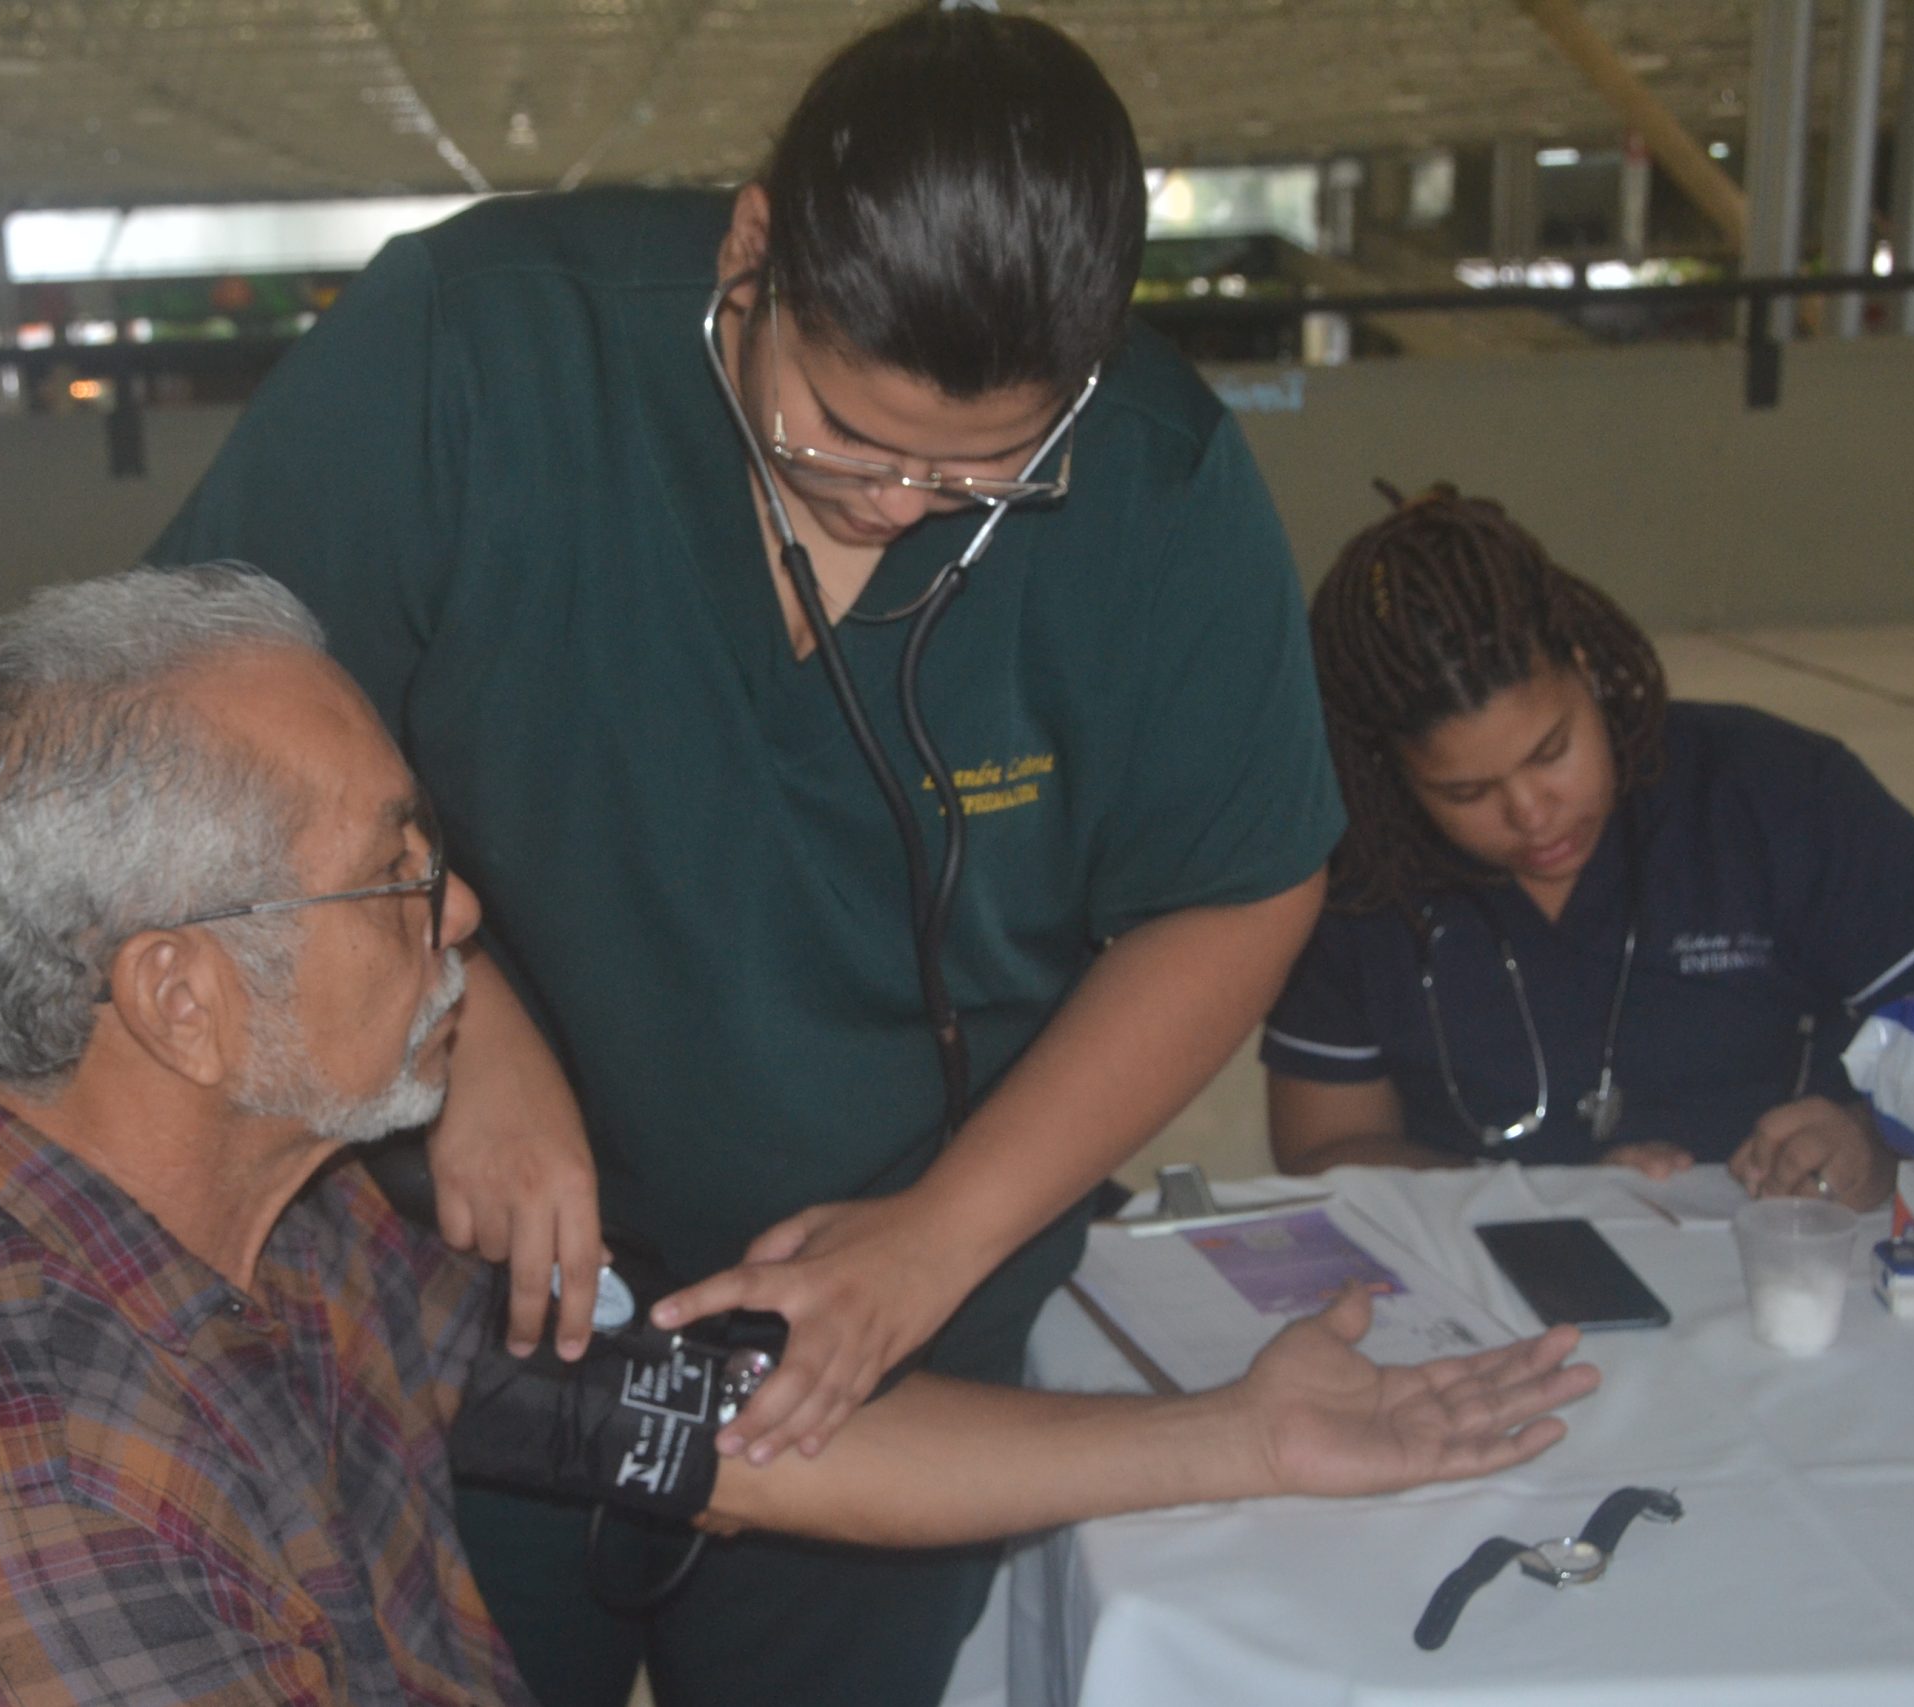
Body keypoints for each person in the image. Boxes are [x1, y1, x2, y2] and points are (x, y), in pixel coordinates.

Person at [0, 567, 1596, 1706]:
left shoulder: (251, 1230)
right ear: (180, 995)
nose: (461, 920)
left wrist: (1235, 1438)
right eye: (395, 876)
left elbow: (698, 1439)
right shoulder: (23, 1510)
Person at [148, 13, 1342, 1701]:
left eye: (983, 472)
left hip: (888, 1325)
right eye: (840, 437)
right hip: (462, 1287)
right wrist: (453, 1012)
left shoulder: (1155, 480)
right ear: (756, 244)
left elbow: (1238, 884)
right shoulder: (484, 349)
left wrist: (937, 1239)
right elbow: (189, 709)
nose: (900, 505)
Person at [1262, 486, 1914, 1208]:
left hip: (1799, 1277)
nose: (1533, 813)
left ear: (1586, 668)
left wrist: (1875, 1142)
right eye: (1466, 793)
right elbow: (1324, 1148)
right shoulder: (1360, 873)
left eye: (1551, 750)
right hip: (1494, 1299)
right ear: (1391, 776)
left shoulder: (1776, 794)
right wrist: (1528, 1194)